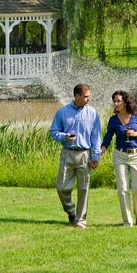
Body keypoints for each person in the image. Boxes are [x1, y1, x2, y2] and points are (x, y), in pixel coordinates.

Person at [49, 84, 101, 229]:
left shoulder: (92, 113)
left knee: (83, 189)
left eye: (89, 96)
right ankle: (71, 211)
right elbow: (53, 131)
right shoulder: (62, 112)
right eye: (85, 96)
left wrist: (96, 156)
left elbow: (96, 136)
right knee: (61, 187)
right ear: (77, 96)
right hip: (67, 153)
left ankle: (80, 221)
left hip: (85, 154)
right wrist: (64, 136)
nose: (88, 99)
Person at [101, 90, 137, 227]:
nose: (116, 104)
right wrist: (101, 150)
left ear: (125, 102)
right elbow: (108, 138)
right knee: (122, 189)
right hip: (120, 155)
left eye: (118, 101)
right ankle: (127, 221)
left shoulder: (136, 115)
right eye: (114, 101)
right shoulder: (113, 120)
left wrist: (135, 133)